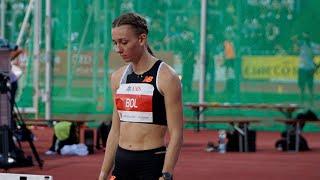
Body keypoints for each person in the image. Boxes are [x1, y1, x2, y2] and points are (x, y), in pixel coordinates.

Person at [99, 13, 183, 180]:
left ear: (142, 39)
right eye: (115, 43)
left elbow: (176, 133)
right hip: (122, 162)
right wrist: (103, 173)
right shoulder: (117, 78)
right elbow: (115, 130)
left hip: (151, 163)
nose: (118, 49)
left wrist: (167, 173)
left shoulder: (166, 77)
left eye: (124, 42)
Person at [297, 32, 318, 106]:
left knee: (310, 87)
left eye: (306, 36)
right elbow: (296, 50)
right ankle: (301, 103)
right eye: (303, 37)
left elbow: (314, 54)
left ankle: (311, 104)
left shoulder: (313, 45)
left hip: (309, 69)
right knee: (301, 88)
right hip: (302, 68)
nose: (304, 38)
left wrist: (317, 65)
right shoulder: (301, 45)